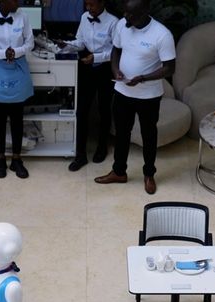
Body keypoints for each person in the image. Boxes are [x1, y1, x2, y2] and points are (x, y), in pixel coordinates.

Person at [94, 0, 174, 195]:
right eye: (125, 13)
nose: (126, 18)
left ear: (146, 11)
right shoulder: (123, 24)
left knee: (148, 136)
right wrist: (115, 69)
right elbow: (116, 50)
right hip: (122, 92)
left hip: (148, 96)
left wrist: (143, 78)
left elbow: (170, 68)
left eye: (132, 14)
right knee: (122, 134)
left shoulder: (162, 34)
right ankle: (119, 172)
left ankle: (149, 175)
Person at [56, 0, 117, 171]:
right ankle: (80, 155)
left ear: (102, 3)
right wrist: (67, 44)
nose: (88, 8)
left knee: (104, 109)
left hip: (106, 69)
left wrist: (96, 58)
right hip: (87, 67)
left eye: (92, 5)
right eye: (86, 5)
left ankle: (102, 147)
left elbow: (116, 51)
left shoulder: (114, 22)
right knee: (82, 110)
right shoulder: (84, 17)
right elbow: (81, 42)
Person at [0, 0, 34, 179]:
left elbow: (30, 43)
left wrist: (16, 52)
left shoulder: (23, 17)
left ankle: (17, 159)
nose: (18, 2)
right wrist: (3, 53)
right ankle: (1, 158)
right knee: (0, 118)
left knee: (17, 118)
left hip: (18, 69)